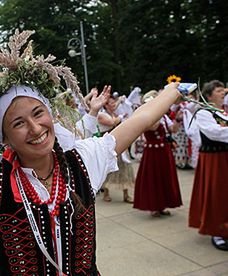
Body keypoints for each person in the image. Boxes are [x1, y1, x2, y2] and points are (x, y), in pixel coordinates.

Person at [0, 30, 182, 275]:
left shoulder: (82, 161)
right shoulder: (3, 181)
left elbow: (140, 120)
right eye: (18, 123)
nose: (35, 128)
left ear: (51, 114)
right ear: (5, 138)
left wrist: (172, 91)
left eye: (38, 113)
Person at [188, 80, 228, 251]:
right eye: (219, 90)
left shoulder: (223, 112)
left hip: (224, 157)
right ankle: (216, 231)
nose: (222, 93)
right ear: (210, 95)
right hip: (214, 159)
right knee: (216, 193)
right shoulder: (204, 112)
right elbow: (214, 132)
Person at [133, 90, 182, 217]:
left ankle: (162, 205)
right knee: (154, 179)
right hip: (153, 152)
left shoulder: (163, 117)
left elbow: (173, 130)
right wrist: (159, 110)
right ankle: (154, 206)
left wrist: (178, 118)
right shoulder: (147, 116)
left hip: (164, 150)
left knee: (165, 178)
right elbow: (153, 127)